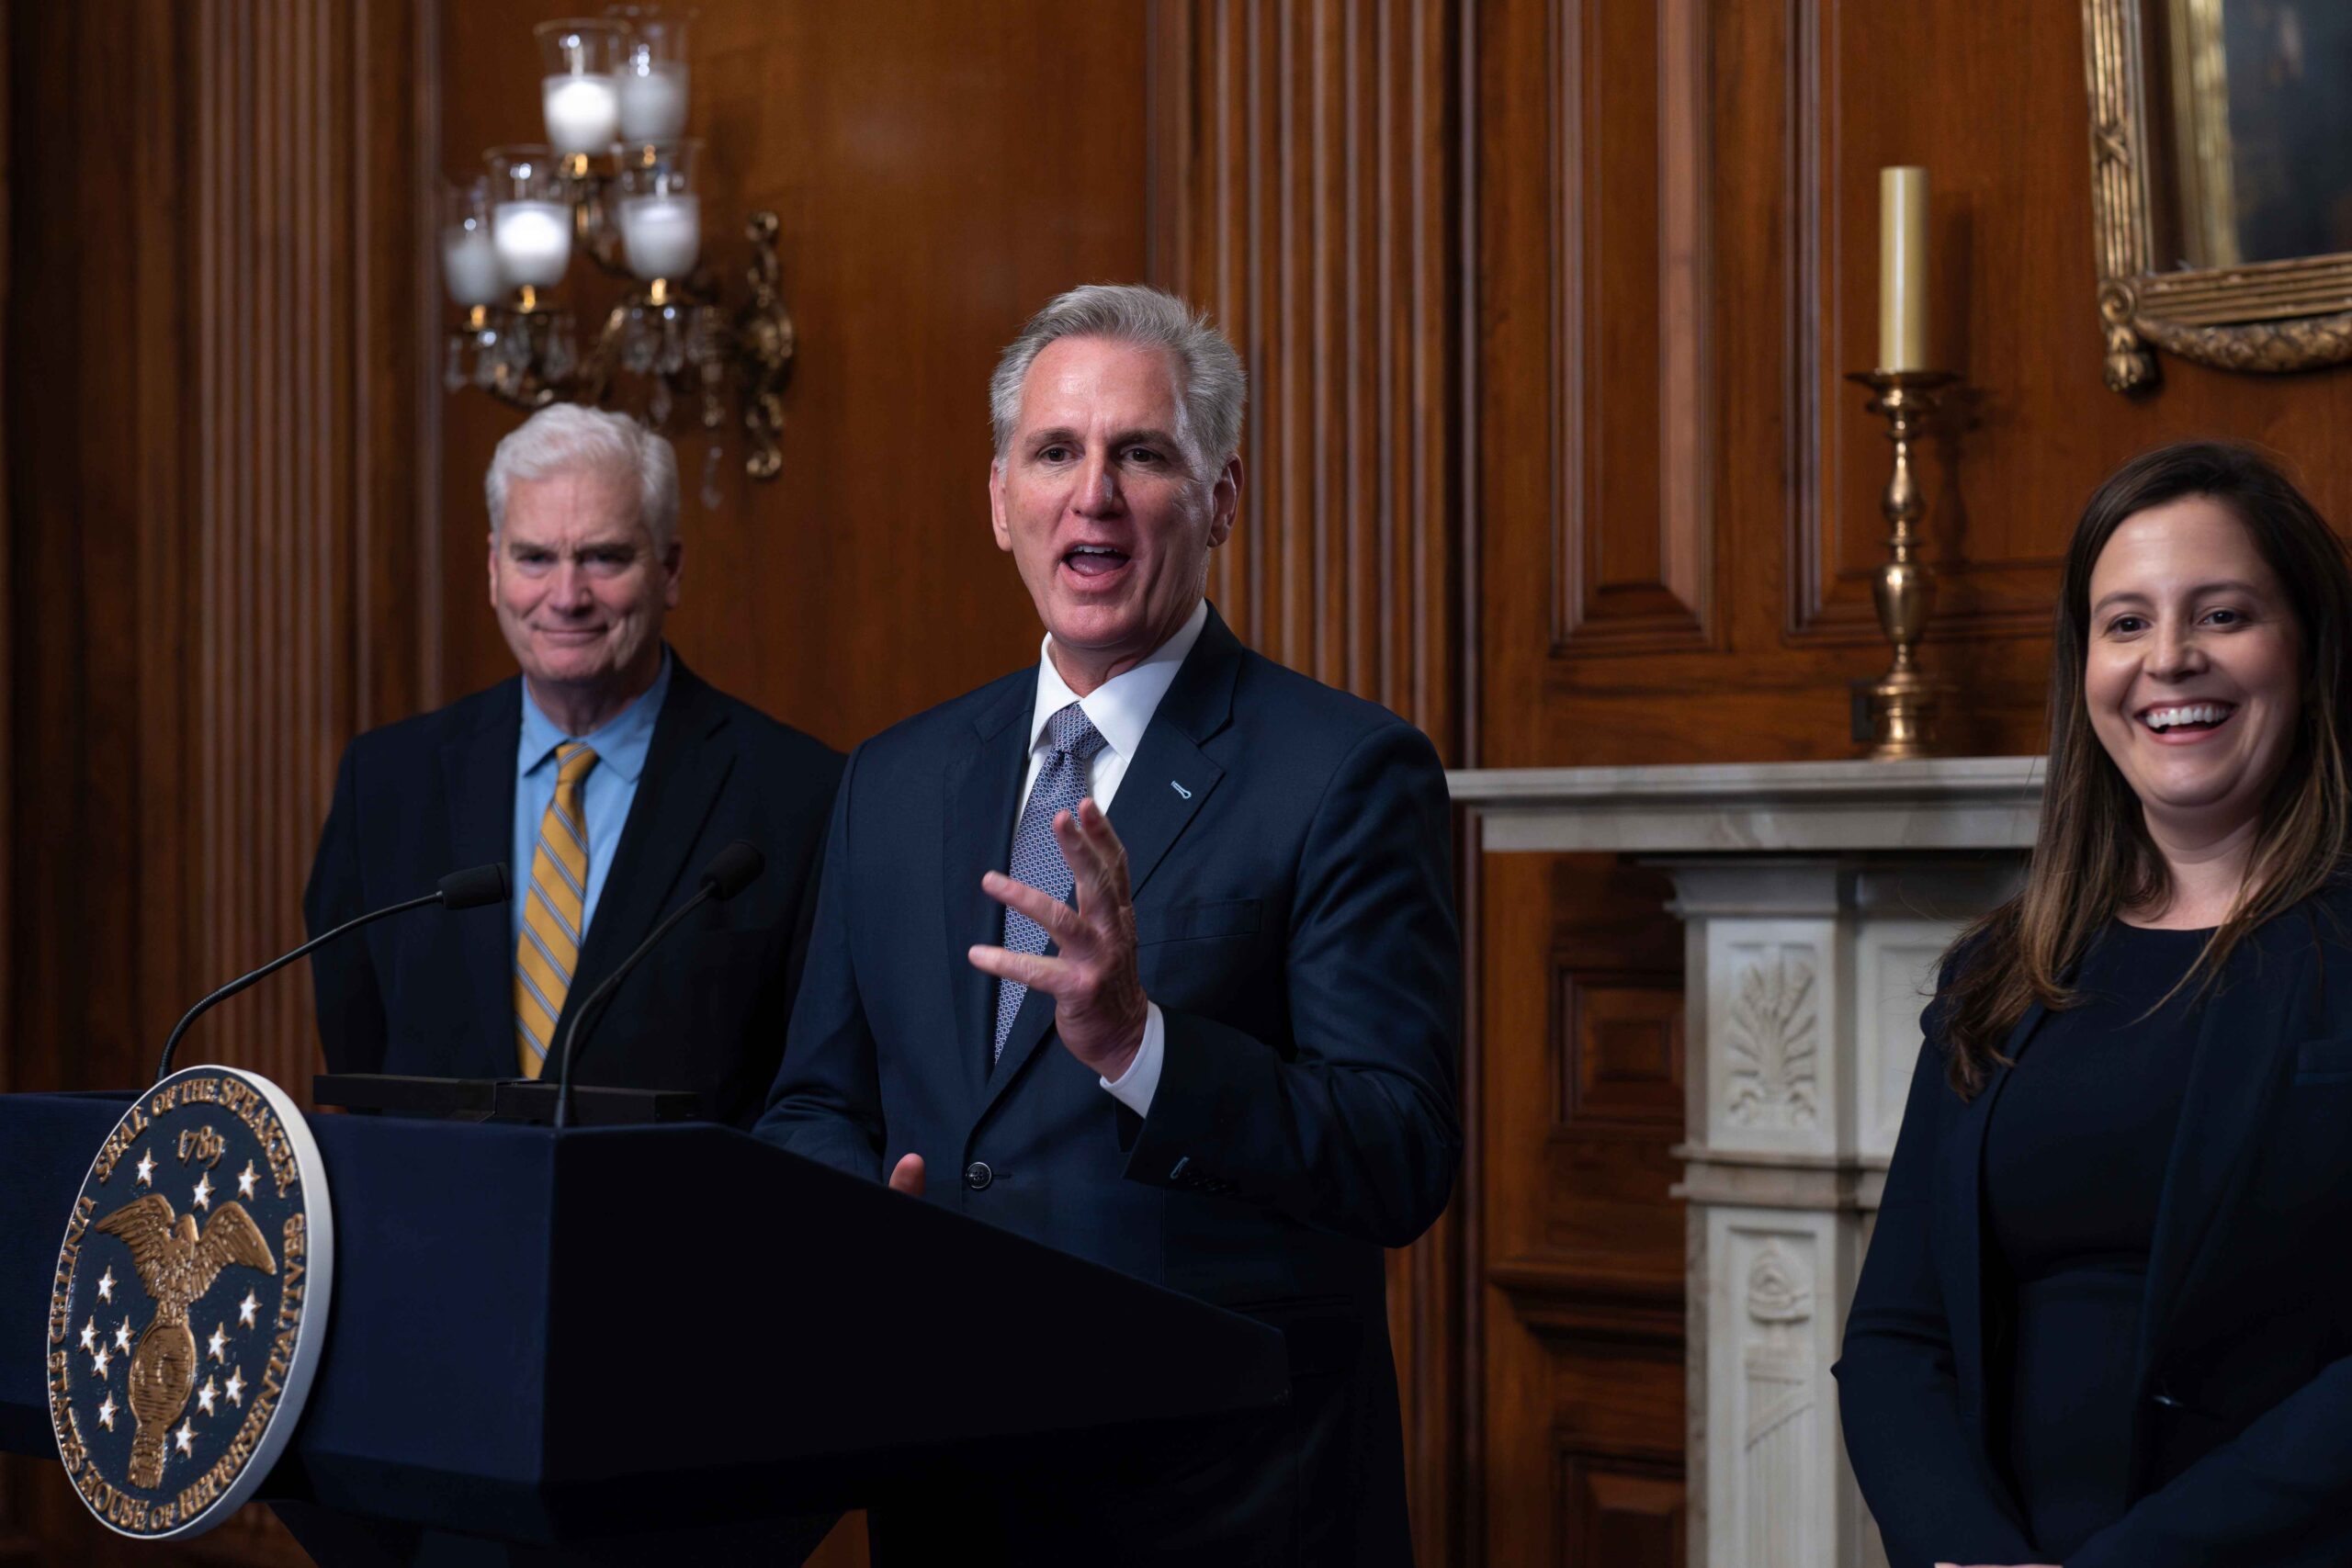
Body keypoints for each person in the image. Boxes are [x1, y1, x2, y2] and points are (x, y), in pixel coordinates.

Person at [755, 284, 1461, 1565]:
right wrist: (863, 1222)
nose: (1095, 494)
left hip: (1223, 1503)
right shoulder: (892, 779)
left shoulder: (1346, 769)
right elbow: (813, 1100)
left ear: (1222, 498)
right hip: (951, 1482)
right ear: (999, 501)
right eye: (1056, 452)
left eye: (1141, 452)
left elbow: (1400, 1151)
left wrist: (1141, 1044)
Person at [1836, 441, 2352, 1568]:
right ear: (2085, 669)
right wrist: (1961, 1551)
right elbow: (1894, 1337)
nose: (2168, 659)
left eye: (2221, 615)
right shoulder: (1999, 974)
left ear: (2307, 649)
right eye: (2125, 624)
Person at [303, 405, 842, 1128]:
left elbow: (808, 1088)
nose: (566, 596)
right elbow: (359, 1063)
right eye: (534, 558)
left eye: (604, 557)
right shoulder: (387, 784)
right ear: (494, 569)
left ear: (670, 569)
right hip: (437, 1229)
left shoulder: (797, 797)